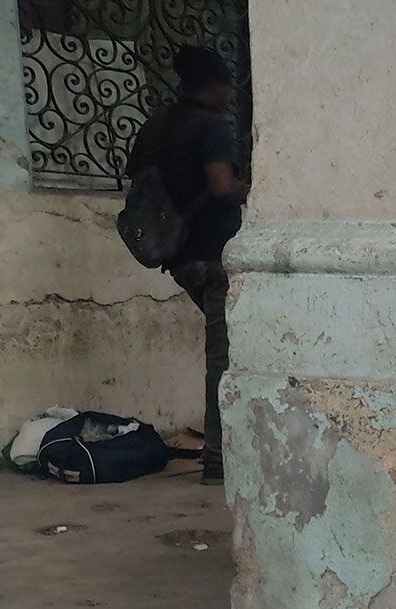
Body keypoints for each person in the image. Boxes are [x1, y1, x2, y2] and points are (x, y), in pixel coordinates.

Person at [125, 46, 247, 484]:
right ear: (215, 85)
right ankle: (217, 460)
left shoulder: (158, 125)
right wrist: (249, 190)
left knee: (232, 353)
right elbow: (219, 185)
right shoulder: (213, 127)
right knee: (224, 359)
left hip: (178, 257)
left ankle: (231, 448)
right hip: (216, 254)